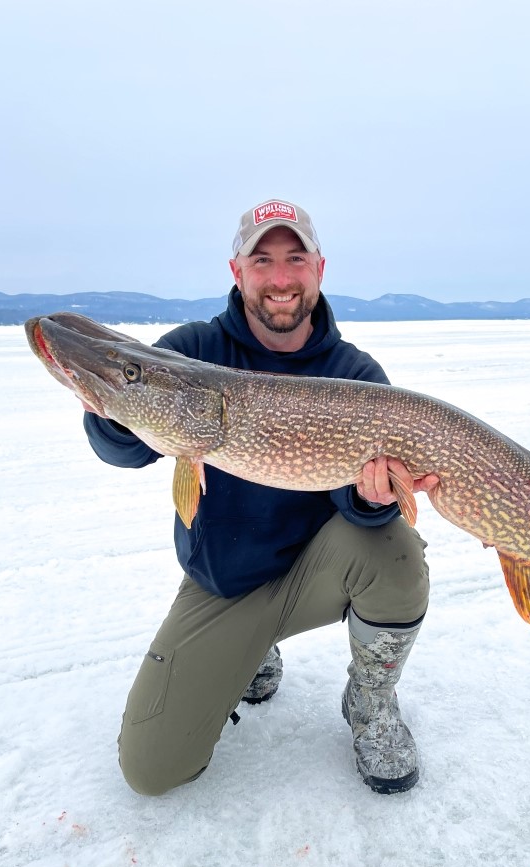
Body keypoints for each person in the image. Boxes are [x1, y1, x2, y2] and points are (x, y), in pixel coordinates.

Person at [83, 199, 438, 796]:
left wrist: (377, 497)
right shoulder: (192, 351)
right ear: (236, 271)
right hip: (228, 582)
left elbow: (360, 511)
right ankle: (251, 651)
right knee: (152, 770)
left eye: (294, 259)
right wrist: (114, 407)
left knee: (394, 549)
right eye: (262, 259)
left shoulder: (355, 375)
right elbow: (125, 450)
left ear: (319, 270)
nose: (279, 278)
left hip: (318, 574)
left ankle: (369, 703)